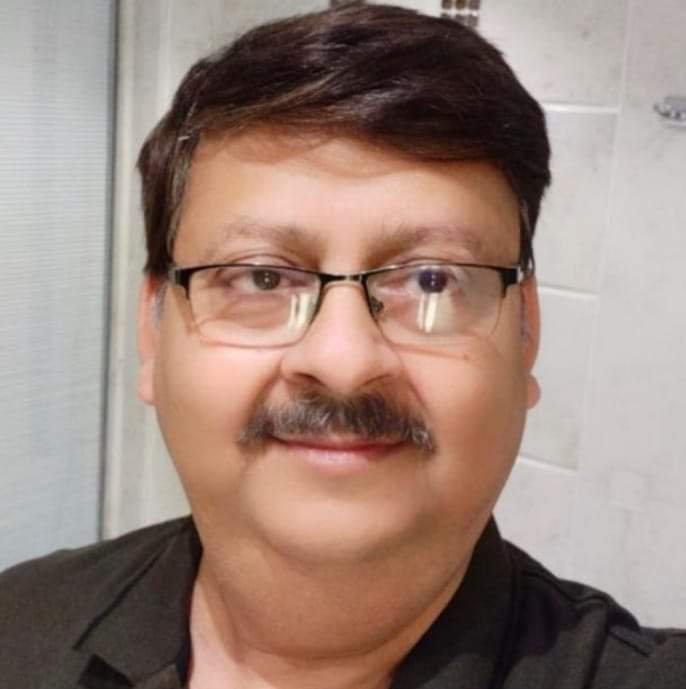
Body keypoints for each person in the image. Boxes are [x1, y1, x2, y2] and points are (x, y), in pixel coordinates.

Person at [1, 3, 684, 688]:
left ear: (526, 330)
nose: (343, 361)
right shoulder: (18, 624)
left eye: (432, 279)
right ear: (153, 333)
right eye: (262, 277)